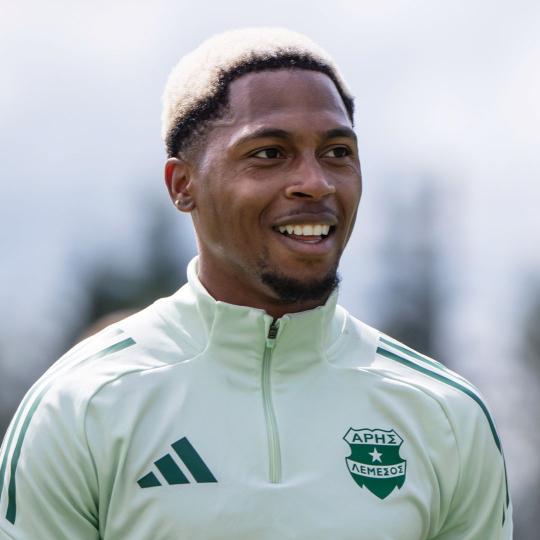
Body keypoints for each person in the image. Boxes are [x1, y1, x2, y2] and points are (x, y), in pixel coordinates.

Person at [0, 27, 512, 539]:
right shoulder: (79, 406)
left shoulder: (446, 416)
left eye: (337, 152)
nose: (315, 182)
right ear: (183, 185)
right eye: (270, 153)